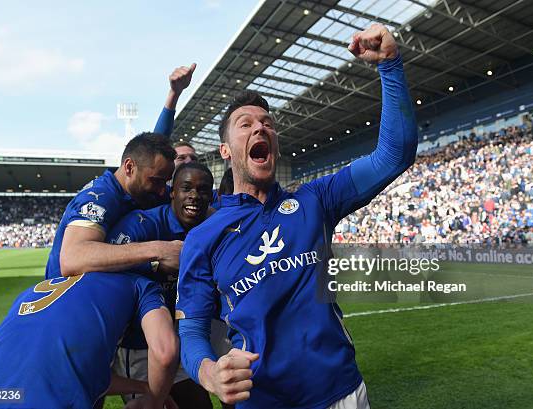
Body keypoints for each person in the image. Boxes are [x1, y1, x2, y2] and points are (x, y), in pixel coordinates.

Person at [176, 23, 417, 408]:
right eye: (247, 124)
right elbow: (190, 328)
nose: (261, 127)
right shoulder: (203, 238)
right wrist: (208, 373)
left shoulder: (315, 199)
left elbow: (395, 154)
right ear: (225, 151)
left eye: (268, 123)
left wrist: (389, 65)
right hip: (263, 401)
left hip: (342, 393)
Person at [45, 64, 196, 279]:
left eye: (165, 181)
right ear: (128, 167)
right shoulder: (100, 197)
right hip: (71, 300)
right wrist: (158, 250)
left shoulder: (144, 185)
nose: (163, 190)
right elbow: (73, 259)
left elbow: (152, 148)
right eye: (156, 181)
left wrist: (174, 94)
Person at [0, 273, 178, 409]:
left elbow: (80, 374)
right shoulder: (139, 285)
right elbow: (165, 352)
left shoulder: (34, 290)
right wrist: (155, 401)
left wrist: (144, 388)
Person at [107, 162, 215, 409]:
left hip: (182, 340)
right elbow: (105, 263)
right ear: (172, 192)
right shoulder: (142, 224)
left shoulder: (211, 228)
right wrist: (154, 264)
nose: (194, 196)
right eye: (186, 188)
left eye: (203, 190)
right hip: (140, 346)